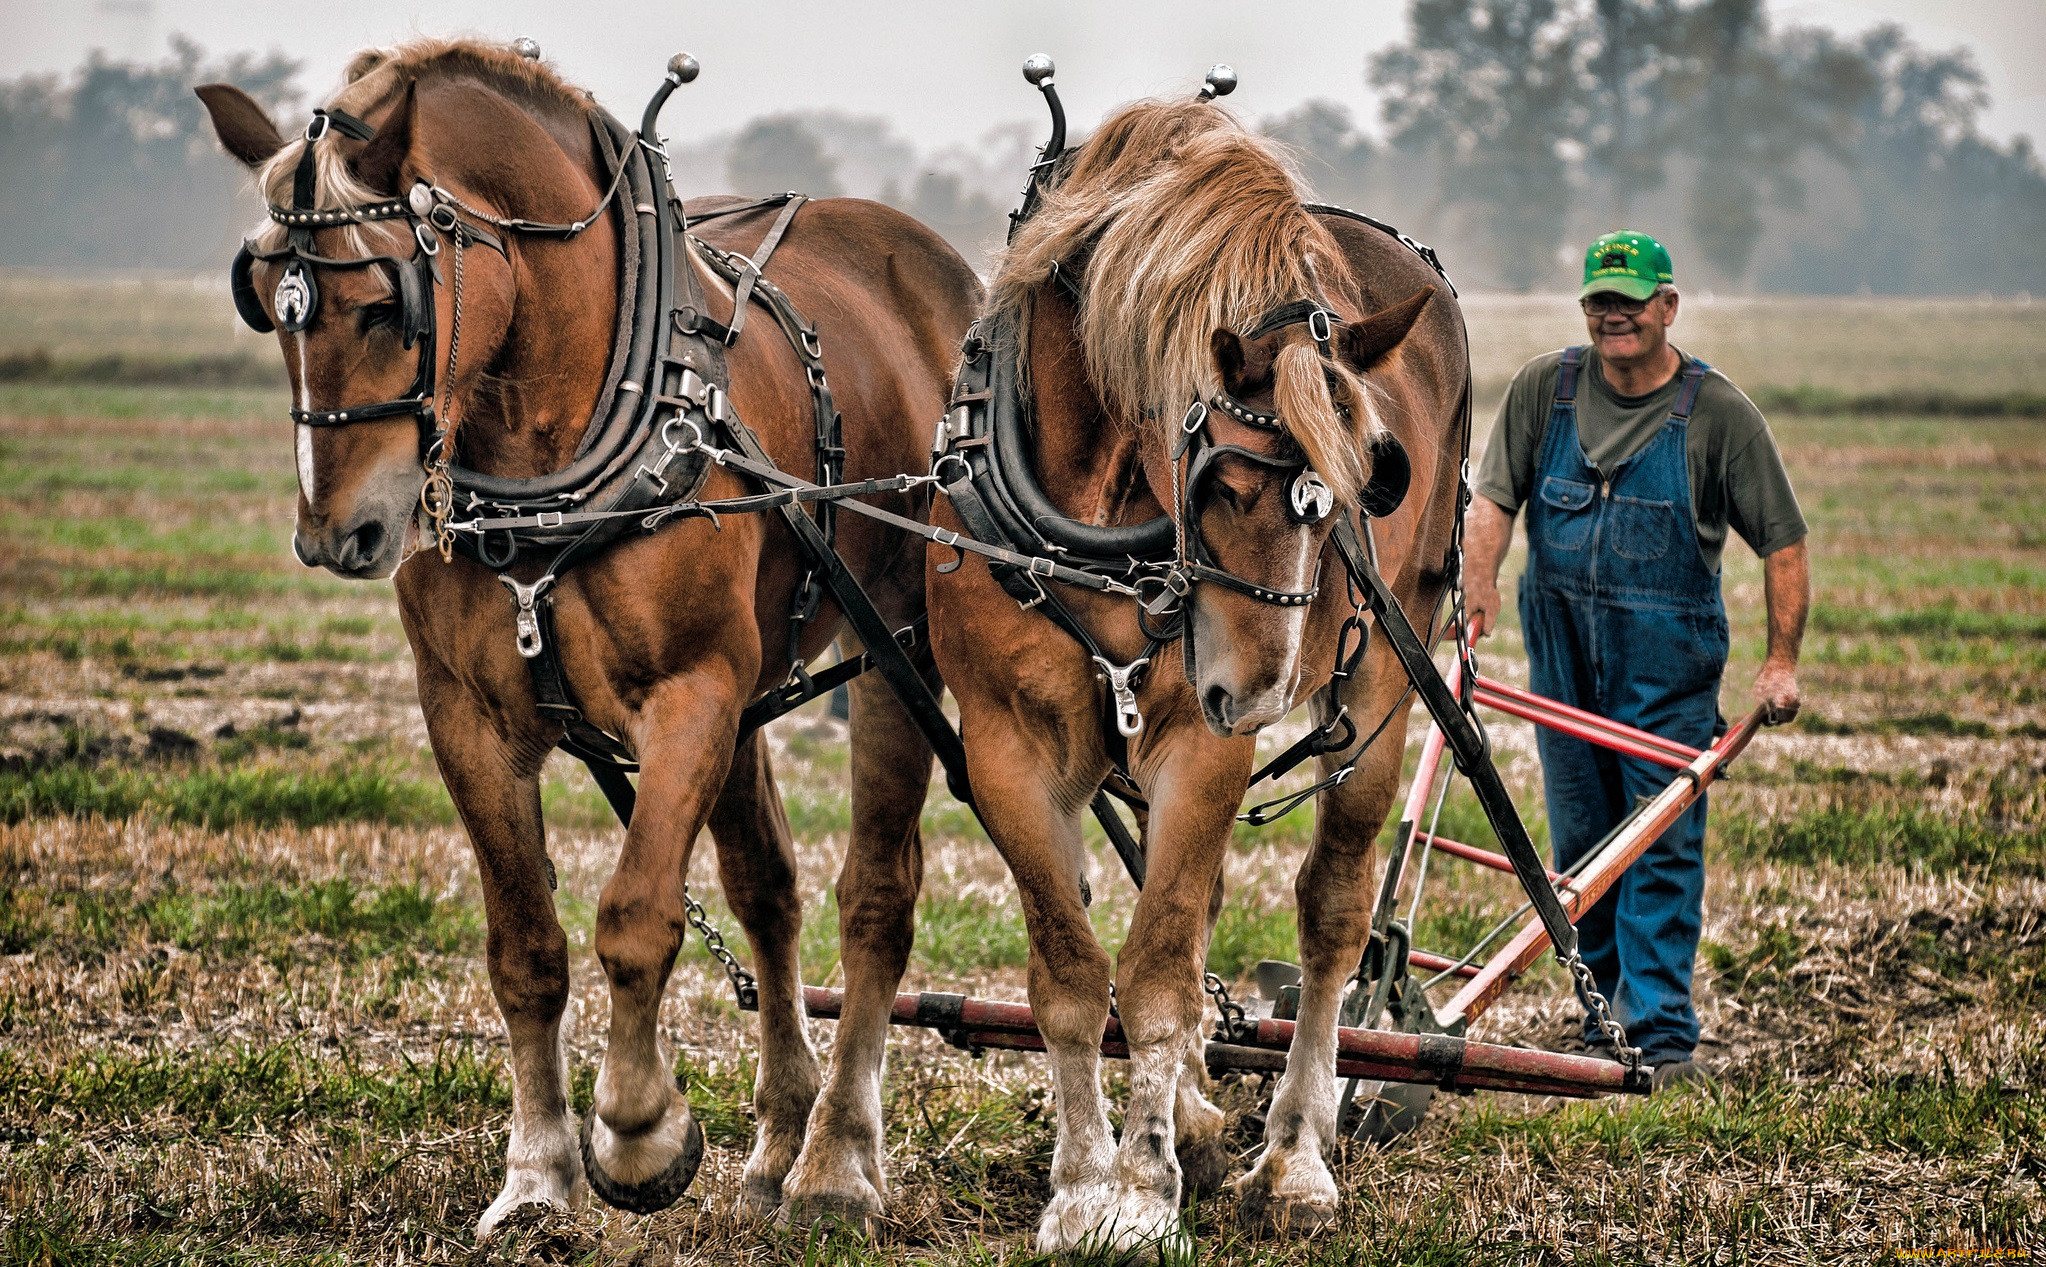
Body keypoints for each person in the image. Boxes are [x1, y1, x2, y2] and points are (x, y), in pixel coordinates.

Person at [1463, 230, 1811, 1090]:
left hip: (1666, 662)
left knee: (1657, 841)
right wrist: (1477, 593)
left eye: (1629, 300)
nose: (1612, 315)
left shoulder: (1718, 414)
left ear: (1667, 306)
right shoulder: (1547, 390)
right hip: (1562, 650)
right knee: (1583, 844)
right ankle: (1600, 1020)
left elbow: (1784, 542)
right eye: (1598, 301)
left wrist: (1780, 662)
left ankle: (1658, 1033)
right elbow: (1494, 499)